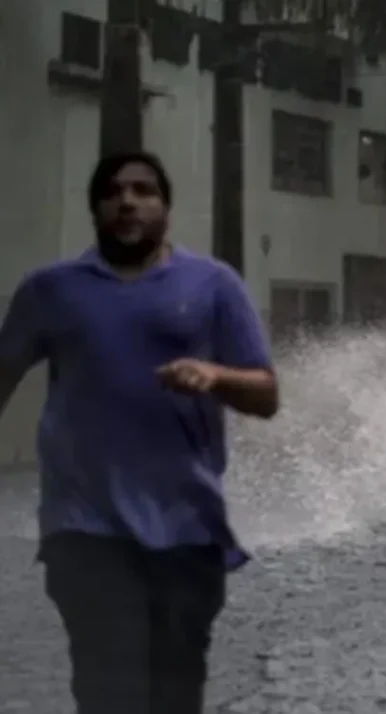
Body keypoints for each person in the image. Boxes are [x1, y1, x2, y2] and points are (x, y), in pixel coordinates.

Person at [0, 151, 279, 714]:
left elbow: (267, 395)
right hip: (84, 528)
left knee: (174, 695)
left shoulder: (213, 285)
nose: (128, 201)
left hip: (187, 530)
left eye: (144, 190)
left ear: (166, 209)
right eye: (113, 191)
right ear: (96, 209)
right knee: (108, 692)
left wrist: (215, 375)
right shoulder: (51, 290)